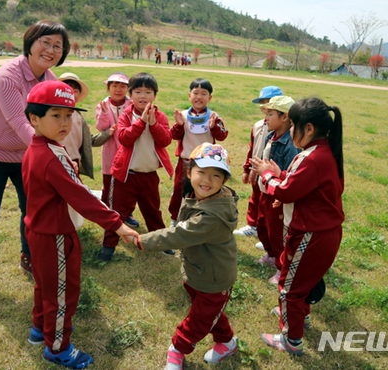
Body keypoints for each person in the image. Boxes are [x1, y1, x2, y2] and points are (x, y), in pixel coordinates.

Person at [22, 80, 138, 369]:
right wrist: (118, 225)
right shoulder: (51, 157)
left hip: (38, 230)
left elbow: (53, 184)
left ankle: (40, 330)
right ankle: (57, 349)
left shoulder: (40, 147)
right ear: (34, 119)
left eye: (69, 115)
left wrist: (68, 168)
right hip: (56, 236)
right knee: (62, 293)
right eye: (55, 115)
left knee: (45, 286)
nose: (65, 123)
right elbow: (83, 198)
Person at [0, 20, 69, 309]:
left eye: (57, 46)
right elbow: (20, 123)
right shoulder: (8, 76)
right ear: (31, 41)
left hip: (26, 157)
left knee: (32, 212)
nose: (50, 50)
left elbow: (55, 119)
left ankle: (29, 258)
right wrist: (53, 154)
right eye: (45, 42)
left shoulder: (50, 79)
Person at [131, 143, 239, 369]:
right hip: (197, 270)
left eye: (216, 175)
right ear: (189, 173)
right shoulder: (195, 195)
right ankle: (227, 341)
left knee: (199, 320)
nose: (207, 180)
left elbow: (179, 234)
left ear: (224, 181)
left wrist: (141, 240)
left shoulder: (212, 217)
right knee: (209, 314)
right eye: (201, 172)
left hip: (215, 279)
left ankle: (177, 349)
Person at [252, 97, 344, 356]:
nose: (291, 131)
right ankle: (300, 318)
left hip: (310, 235)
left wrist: (268, 175)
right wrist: (279, 174)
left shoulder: (313, 158)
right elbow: (302, 185)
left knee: (289, 287)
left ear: (310, 128)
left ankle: (291, 340)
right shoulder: (327, 151)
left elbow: (286, 192)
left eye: (294, 125)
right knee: (302, 283)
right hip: (323, 233)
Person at [99, 72, 174, 262]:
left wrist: (153, 123)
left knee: (153, 211)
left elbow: (165, 140)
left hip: (148, 175)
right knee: (117, 212)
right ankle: (108, 246)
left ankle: (160, 243)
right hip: (126, 176)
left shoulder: (160, 116)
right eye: (138, 91)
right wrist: (141, 122)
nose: (143, 96)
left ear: (154, 95)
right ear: (130, 95)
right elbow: (124, 138)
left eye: (148, 92)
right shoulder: (126, 115)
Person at [168, 78, 228, 227]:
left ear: (210, 97)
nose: (199, 97)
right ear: (189, 96)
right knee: (179, 190)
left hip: (207, 162)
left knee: (204, 190)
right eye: (196, 93)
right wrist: (179, 125)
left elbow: (222, 136)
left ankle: (201, 217)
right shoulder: (182, 115)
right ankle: (175, 219)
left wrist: (214, 127)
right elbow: (173, 136)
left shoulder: (214, 116)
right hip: (186, 161)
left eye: (204, 93)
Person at [254, 96, 300, 285]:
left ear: (285, 117)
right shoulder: (270, 136)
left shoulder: (291, 145)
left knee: (278, 232)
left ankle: (282, 269)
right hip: (266, 192)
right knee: (263, 225)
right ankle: (271, 255)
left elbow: (291, 175)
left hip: (277, 196)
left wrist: (281, 197)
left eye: (270, 114)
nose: (266, 118)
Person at [233, 86, 284, 238]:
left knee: (269, 203)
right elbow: (252, 148)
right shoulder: (258, 125)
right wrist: (247, 169)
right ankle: (252, 225)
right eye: (262, 102)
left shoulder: (282, 126)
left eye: (268, 102)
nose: (264, 106)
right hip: (256, 170)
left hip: (272, 172)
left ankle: (269, 232)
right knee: (256, 198)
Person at [95, 72, 140, 228]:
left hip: (128, 150)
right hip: (110, 149)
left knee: (128, 183)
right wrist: (105, 113)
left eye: (122, 86)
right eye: (114, 86)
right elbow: (101, 127)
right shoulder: (103, 104)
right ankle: (107, 213)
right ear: (108, 88)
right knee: (108, 183)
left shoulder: (131, 103)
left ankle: (127, 213)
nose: (118, 89)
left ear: (128, 89)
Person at [57, 72, 111, 179]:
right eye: (66, 89)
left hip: (74, 162)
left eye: (75, 91)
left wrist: (107, 134)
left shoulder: (79, 117)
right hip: (55, 160)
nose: (70, 93)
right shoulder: (51, 115)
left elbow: (88, 141)